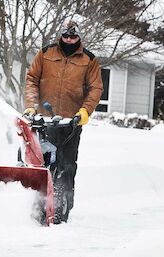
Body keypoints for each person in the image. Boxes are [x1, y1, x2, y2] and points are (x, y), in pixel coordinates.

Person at [23, 20, 103, 223]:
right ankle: (37, 209)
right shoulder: (46, 53)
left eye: (73, 36)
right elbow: (32, 79)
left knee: (66, 166)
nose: (68, 40)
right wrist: (31, 105)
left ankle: (60, 211)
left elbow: (95, 89)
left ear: (79, 37)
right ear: (61, 36)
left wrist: (84, 112)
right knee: (43, 165)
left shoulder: (89, 60)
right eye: (65, 36)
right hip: (45, 121)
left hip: (71, 123)